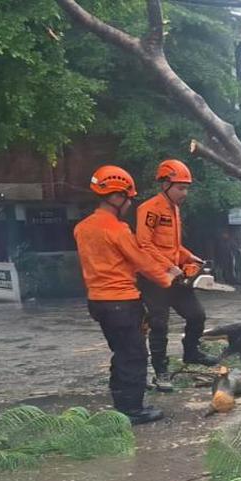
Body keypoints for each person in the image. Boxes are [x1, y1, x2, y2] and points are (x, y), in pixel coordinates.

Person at [74, 166, 182, 425]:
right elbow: (140, 260)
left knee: (121, 352)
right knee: (134, 355)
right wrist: (167, 277)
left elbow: (115, 260)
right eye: (128, 197)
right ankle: (132, 410)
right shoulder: (117, 229)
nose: (130, 203)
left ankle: (121, 404)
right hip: (121, 301)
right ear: (116, 196)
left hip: (97, 301)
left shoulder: (82, 228)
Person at [136, 159, 219, 392]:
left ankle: (191, 352)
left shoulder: (174, 210)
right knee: (159, 324)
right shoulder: (149, 209)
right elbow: (144, 244)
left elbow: (173, 247)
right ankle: (161, 370)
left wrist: (191, 258)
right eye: (180, 187)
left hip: (176, 276)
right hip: (154, 278)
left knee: (196, 315)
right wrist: (167, 266)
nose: (185, 192)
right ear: (165, 185)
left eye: (186, 188)